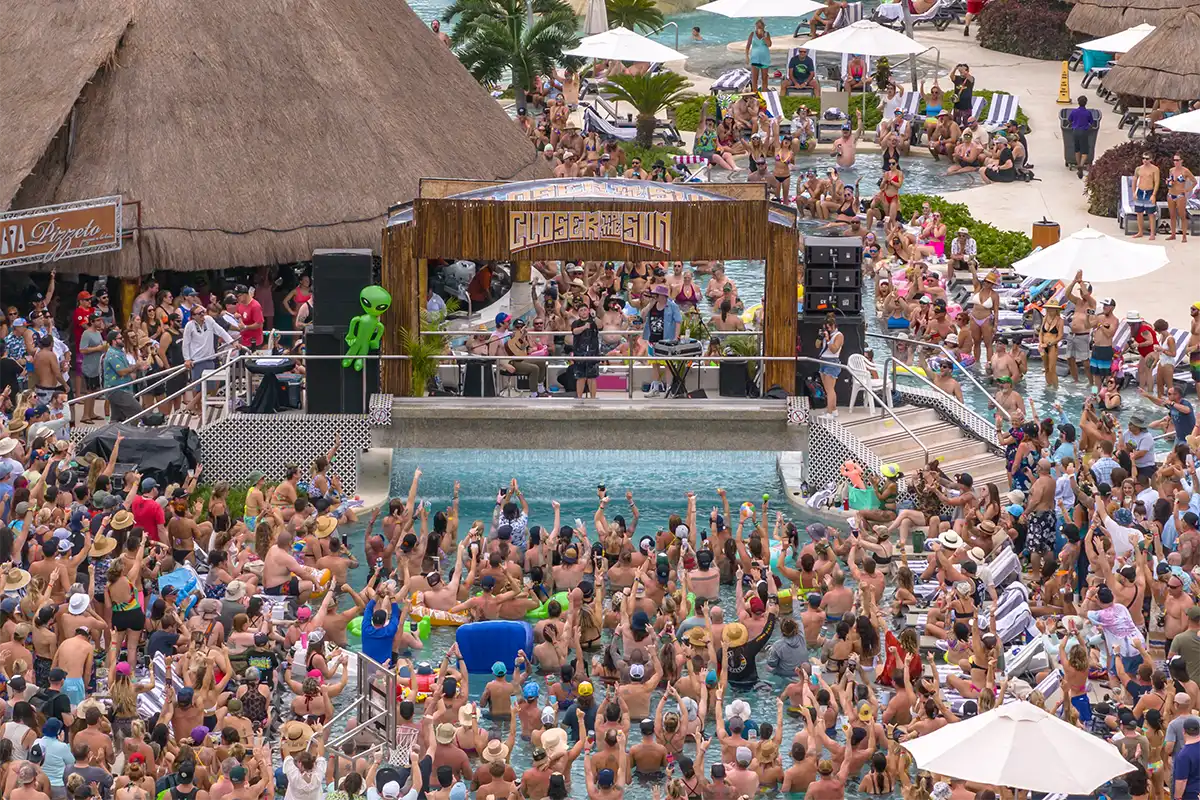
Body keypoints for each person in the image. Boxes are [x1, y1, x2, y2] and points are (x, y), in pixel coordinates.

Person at [816, 313, 843, 419]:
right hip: (823, 360)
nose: (828, 329)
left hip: (832, 362)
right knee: (827, 389)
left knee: (830, 389)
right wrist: (820, 337)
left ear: (834, 326)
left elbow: (834, 349)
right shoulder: (826, 334)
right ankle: (834, 409)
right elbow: (817, 346)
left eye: (829, 327)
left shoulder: (839, 336)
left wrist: (828, 340)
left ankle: (829, 412)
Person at [1167, 153, 1197, 242]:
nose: (1175, 162)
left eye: (1177, 160)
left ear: (1181, 161)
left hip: (1180, 195)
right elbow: (1170, 181)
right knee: (1172, 215)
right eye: (1174, 160)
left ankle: (1184, 236)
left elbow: (1194, 181)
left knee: (1182, 215)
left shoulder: (1185, 171)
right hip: (1170, 194)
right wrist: (1169, 183)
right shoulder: (1171, 170)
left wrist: (1187, 190)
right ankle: (1173, 234)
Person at [1133, 152, 1162, 240]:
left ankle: (1152, 234)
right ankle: (1140, 232)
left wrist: (1153, 195)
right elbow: (1134, 181)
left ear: (1151, 159)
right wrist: (1134, 192)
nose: (1144, 160)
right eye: (1143, 158)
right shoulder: (1138, 169)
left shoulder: (1155, 169)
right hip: (1140, 192)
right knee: (1139, 213)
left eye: (1147, 159)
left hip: (1149, 192)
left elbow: (1157, 182)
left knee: (1151, 214)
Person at [1067, 96, 1094, 179]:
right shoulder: (1088, 113)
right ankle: (1081, 165)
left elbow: (1069, 120)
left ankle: (1078, 164)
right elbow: (1092, 123)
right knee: (1085, 151)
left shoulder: (1074, 112)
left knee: (1077, 149)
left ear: (1078, 102)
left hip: (1075, 132)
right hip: (1083, 132)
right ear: (1086, 103)